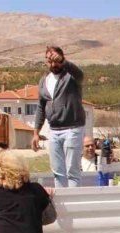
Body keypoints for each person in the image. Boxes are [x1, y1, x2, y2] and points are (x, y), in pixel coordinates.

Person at [32, 45, 85, 188]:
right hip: (54, 130)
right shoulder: (44, 80)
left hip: (72, 128)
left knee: (72, 171)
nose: (53, 64)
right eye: (50, 61)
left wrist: (64, 62)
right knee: (58, 172)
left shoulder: (71, 77)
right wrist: (36, 133)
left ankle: (73, 204)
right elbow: (41, 107)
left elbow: (80, 75)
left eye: (56, 60)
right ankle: (62, 206)